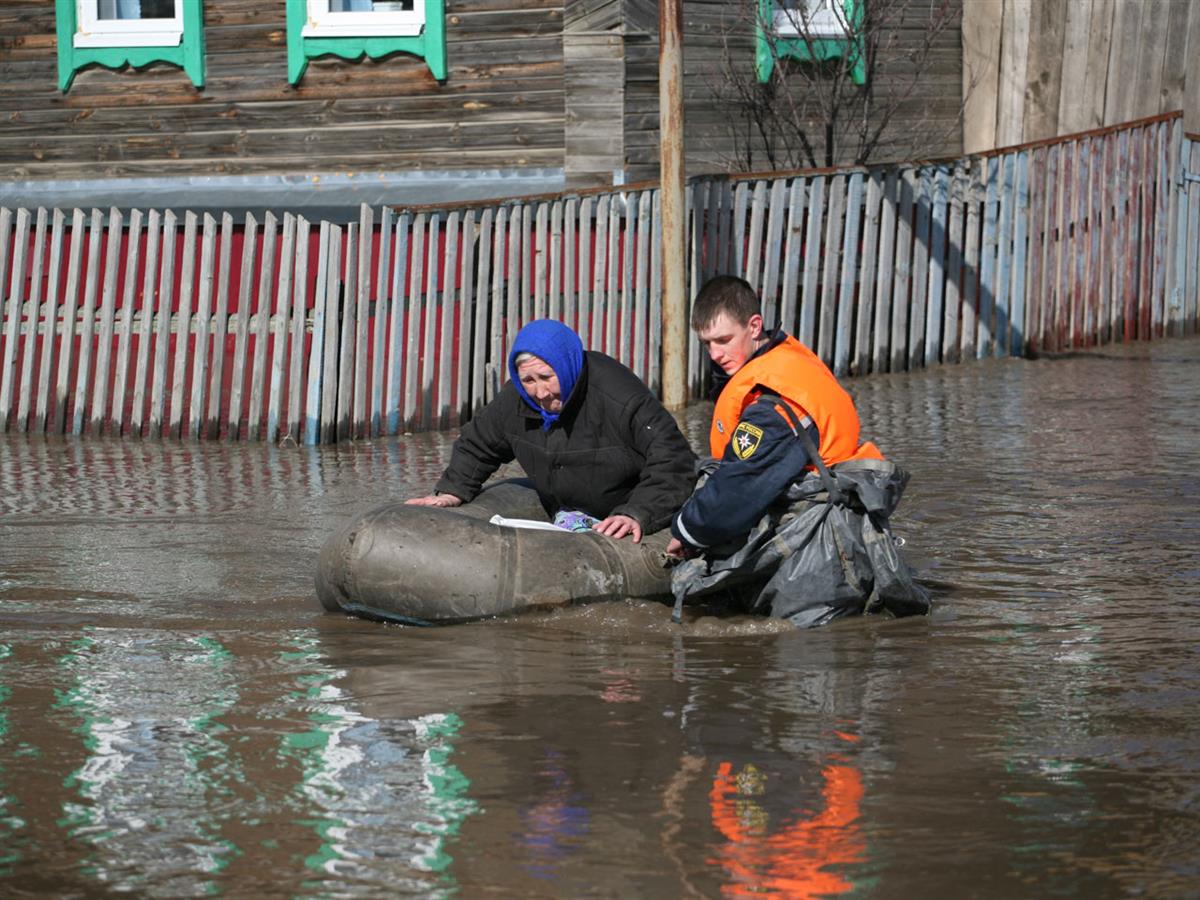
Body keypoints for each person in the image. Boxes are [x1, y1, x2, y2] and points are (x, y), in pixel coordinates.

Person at [666, 276, 930, 626]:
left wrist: (686, 530)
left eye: (723, 340)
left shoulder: (773, 404)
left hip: (817, 557)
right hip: (844, 536)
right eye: (707, 344)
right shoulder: (787, 362)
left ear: (754, 326)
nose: (715, 354)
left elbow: (740, 486)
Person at [408, 318, 697, 543]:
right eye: (529, 380)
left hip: (628, 504)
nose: (541, 392)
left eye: (546, 377)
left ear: (565, 364)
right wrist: (451, 491)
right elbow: (478, 443)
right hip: (566, 507)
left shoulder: (619, 397)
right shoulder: (516, 399)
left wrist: (638, 513)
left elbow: (673, 459)